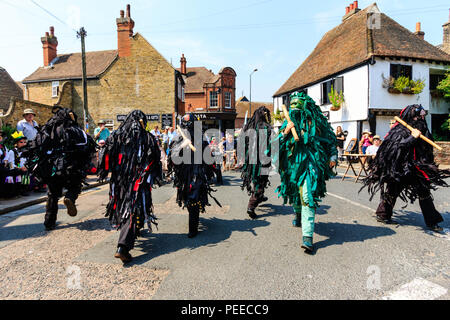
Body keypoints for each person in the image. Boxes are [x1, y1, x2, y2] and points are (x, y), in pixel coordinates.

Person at [361, 105, 449, 232]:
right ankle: (383, 214)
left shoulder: (422, 128)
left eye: (423, 115)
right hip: (400, 169)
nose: (422, 118)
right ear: (412, 116)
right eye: (419, 115)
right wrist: (412, 137)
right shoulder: (399, 130)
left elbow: (427, 148)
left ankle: (432, 222)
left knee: (424, 193)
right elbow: (398, 147)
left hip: (417, 168)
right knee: (392, 191)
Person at [274, 92, 337, 254]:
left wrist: (333, 156)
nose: (294, 106)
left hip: (310, 165)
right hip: (292, 166)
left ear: (306, 105)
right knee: (295, 192)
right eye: (292, 104)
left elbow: (330, 141)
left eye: (297, 103)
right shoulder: (288, 123)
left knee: (307, 196)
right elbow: (275, 146)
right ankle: (297, 213)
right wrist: (285, 132)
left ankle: (307, 237)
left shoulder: (317, 123)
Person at [98, 110, 163, 263]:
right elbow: (155, 159)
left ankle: (128, 236)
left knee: (124, 207)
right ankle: (123, 247)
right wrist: (151, 175)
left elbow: (106, 156)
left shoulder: (115, 136)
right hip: (137, 182)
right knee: (134, 209)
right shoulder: (148, 138)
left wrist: (109, 171)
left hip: (119, 181)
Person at [24, 106, 96, 231]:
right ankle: (69, 197)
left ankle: (49, 222)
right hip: (70, 166)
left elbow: (36, 147)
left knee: (52, 195)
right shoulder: (75, 130)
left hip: (52, 168)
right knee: (75, 186)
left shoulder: (47, 130)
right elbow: (87, 146)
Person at [167, 114, 221, 238]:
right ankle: (194, 222)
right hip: (183, 175)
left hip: (196, 173)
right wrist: (183, 145)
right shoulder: (178, 137)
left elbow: (207, 155)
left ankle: (193, 228)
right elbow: (173, 158)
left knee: (193, 199)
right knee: (188, 198)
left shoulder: (200, 138)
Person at [240, 106, 272, 219]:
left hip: (251, 160)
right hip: (263, 160)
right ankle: (251, 206)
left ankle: (260, 196)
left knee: (255, 178)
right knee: (260, 181)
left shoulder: (248, 127)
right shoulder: (267, 128)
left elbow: (242, 142)